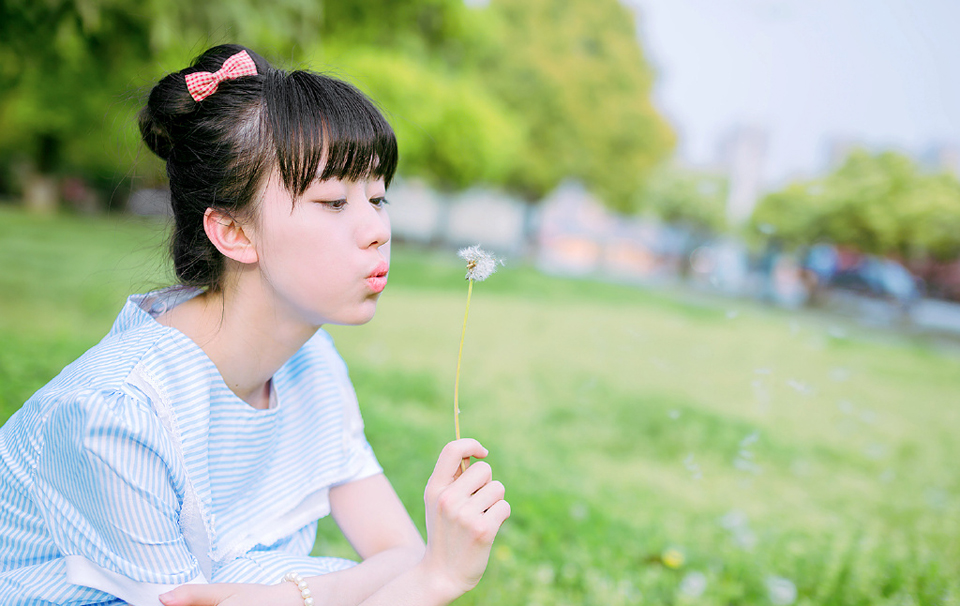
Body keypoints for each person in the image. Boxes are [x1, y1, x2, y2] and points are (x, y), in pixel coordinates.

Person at [0, 44, 510, 606]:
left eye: (378, 197)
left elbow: (401, 554)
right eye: (334, 201)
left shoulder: (310, 365)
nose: (376, 230)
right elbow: (409, 572)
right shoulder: (120, 411)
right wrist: (426, 581)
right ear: (234, 233)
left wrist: (278, 594)